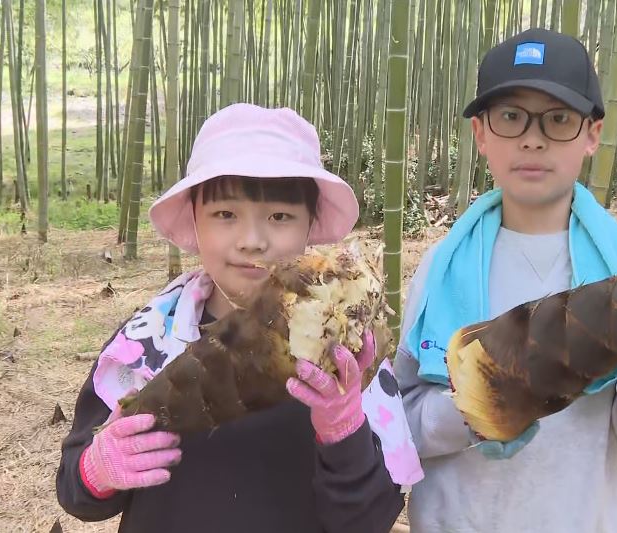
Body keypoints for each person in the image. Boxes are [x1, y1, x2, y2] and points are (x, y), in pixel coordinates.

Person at [394, 28, 617, 532]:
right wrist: (472, 415)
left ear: (592, 134)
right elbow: (400, 422)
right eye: (510, 117)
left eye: (558, 119)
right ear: (480, 134)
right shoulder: (440, 269)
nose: (532, 138)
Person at [56, 103, 421, 533]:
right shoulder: (145, 343)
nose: (252, 241)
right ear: (195, 221)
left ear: (310, 225)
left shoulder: (348, 354)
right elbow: (75, 492)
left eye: (279, 217)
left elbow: (370, 519)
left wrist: (343, 430)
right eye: (225, 215)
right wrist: (98, 468)